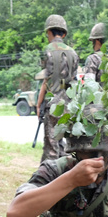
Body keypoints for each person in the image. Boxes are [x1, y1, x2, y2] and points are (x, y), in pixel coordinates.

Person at [33, 14, 79, 162]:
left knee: (51, 149)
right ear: (64, 33)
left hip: (53, 104)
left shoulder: (47, 50)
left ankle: (49, 179)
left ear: (50, 32)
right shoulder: (74, 53)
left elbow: (46, 80)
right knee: (63, 144)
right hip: (70, 104)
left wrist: (39, 104)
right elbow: (74, 80)